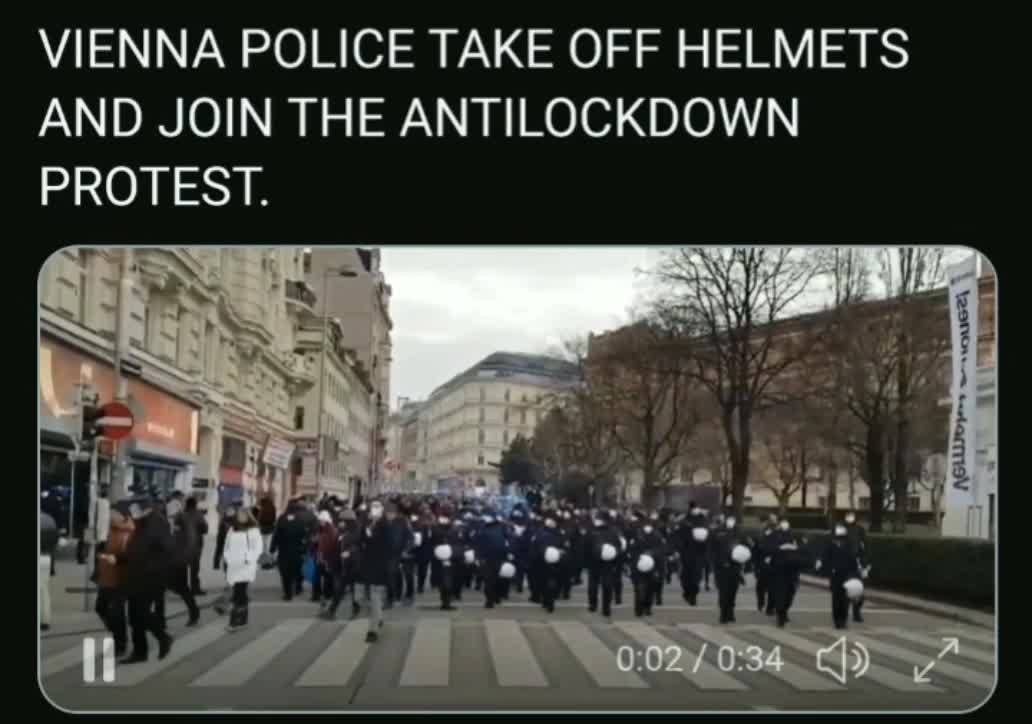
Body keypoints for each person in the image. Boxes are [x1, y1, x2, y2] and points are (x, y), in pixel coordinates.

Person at [121, 498, 174, 664]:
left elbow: (165, 551)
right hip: (135, 575)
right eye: (132, 510)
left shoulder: (158, 523)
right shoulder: (141, 523)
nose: (133, 513)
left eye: (136, 509)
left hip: (150, 577)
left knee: (141, 613)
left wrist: (149, 567)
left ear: (147, 509)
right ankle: (140, 652)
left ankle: (163, 637)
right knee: (134, 616)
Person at [95, 509, 134, 656]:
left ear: (122, 516)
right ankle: (116, 631)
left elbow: (132, 556)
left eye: (113, 513)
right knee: (100, 607)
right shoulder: (108, 531)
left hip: (121, 579)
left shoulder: (129, 532)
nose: (110, 515)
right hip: (106, 577)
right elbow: (102, 548)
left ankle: (120, 643)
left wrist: (116, 560)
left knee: (116, 612)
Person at [222, 507, 262, 632]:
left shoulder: (253, 531)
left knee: (239, 593)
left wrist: (248, 559)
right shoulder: (232, 530)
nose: (241, 517)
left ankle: (235, 621)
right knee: (240, 593)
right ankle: (243, 619)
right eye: (239, 515)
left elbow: (257, 549)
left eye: (243, 515)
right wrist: (227, 558)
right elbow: (226, 545)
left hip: (246, 567)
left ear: (248, 516)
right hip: (233, 565)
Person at [817, 523, 862, 629]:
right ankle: (837, 620)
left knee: (845, 599)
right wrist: (825, 570)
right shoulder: (830, 545)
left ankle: (843, 619)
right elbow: (825, 558)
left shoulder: (848, 545)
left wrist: (855, 573)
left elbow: (853, 560)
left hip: (846, 575)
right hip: (835, 575)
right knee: (836, 598)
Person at [359, 500, 391, 642]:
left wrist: (369, 536)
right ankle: (379, 618)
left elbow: (385, 544)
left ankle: (372, 630)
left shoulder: (385, 525)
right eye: (373, 508)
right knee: (373, 595)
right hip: (369, 564)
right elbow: (362, 540)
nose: (374, 511)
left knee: (375, 595)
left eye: (377, 508)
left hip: (380, 565)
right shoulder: (368, 523)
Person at [166, 500, 201, 626]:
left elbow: (189, 542)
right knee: (177, 588)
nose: (170, 515)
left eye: (171, 513)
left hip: (179, 561)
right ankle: (194, 612)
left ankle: (194, 612)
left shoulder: (183, 522)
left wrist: (182, 559)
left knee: (182, 588)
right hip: (174, 561)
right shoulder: (175, 522)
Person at [324, 509, 363, 620]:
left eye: (342, 520)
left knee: (342, 588)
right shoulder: (343, 530)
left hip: (352, 564)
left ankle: (332, 611)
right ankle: (354, 608)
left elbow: (360, 545)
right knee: (344, 588)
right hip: (341, 564)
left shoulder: (357, 529)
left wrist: (350, 551)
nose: (340, 522)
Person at [710, 514, 747, 624]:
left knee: (732, 591)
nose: (731, 521)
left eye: (733, 519)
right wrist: (716, 562)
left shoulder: (739, 532)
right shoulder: (718, 531)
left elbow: (746, 547)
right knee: (723, 591)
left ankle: (730, 613)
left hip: (735, 566)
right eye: (729, 518)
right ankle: (723, 614)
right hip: (721, 567)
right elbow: (712, 548)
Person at [269, 499, 309, 601]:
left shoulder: (282, 519)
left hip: (284, 551)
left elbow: (276, 534)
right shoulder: (300, 520)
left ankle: (288, 593)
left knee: (285, 573)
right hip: (297, 551)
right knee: (297, 570)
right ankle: (298, 587)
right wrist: (305, 549)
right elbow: (305, 536)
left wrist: (272, 548)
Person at [767, 519, 803, 628]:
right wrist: (779, 548)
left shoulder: (794, 535)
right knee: (780, 594)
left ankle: (785, 611)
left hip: (792, 570)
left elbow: (803, 549)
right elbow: (767, 548)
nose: (785, 524)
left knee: (790, 594)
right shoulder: (774, 535)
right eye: (783, 522)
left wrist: (795, 548)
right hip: (778, 569)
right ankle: (780, 615)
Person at [586, 510, 622, 617]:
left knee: (607, 586)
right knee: (592, 586)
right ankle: (593, 604)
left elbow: (618, 546)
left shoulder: (613, 532)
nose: (597, 520)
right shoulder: (591, 531)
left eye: (600, 518)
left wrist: (615, 559)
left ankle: (606, 608)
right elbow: (585, 547)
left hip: (608, 563)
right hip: (593, 562)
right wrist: (586, 561)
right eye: (597, 518)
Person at [474, 511, 509, 608]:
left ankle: (496, 597)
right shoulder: (482, 528)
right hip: (486, 559)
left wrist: (508, 553)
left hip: (499, 557)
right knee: (488, 580)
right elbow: (478, 544)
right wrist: (478, 557)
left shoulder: (502, 527)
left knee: (498, 579)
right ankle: (489, 600)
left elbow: (509, 540)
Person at [531, 512, 564, 613]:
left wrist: (561, 552)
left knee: (549, 582)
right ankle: (547, 601)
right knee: (545, 582)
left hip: (553, 562)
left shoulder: (558, 533)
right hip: (542, 562)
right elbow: (535, 547)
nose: (552, 523)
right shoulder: (540, 533)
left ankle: (549, 603)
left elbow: (563, 546)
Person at [430, 508, 463, 611]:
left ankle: (447, 601)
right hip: (439, 560)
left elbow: (459, 544)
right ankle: (445, 602)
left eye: (445, 518)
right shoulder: (435, 529)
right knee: (444, 582)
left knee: (449, 581)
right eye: (442, 518)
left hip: (452, 559)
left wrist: (454, 552)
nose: (443, 520)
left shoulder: (456, 529)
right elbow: (431, 542)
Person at [678, 509, 709, 606]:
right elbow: (679, 539)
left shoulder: (704, 526)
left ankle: (693, 596)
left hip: (698, 556)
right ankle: (687, 592)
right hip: (686, 555)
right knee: (685, 578)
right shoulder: (685, 526)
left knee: (696, 578)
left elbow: (708, 541)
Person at [843, 511, 869, 623]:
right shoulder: (840, 529)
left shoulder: (860, 530)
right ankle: (843, 613)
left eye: (851, 516)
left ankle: (856, 613)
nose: (850, 518)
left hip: (857, 564)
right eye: (848, 516)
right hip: (843, 564)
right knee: (845, 590)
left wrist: (865, 564)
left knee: (858, 590)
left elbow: (864, 547)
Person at [180, 497, 208, 596]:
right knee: (194, 568)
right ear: (195, 504)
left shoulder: (181, 515)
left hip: (182, 545)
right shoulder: (198, 515)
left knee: (182, 567)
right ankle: (195, 589)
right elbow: (205, 529)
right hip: (196, 545)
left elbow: (176, 529)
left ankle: (183, 589)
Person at [753, 514, 779, 615]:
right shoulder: (762, 534)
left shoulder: (778, 534)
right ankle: (761, 602)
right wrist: (755, 565)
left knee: (773, 588)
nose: (773, 523)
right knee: (760, 587)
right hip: (762, 565)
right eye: (771, 521)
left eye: (774, 521)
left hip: (774, 565)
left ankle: (770, 608)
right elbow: (756, 550)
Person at [315, 511, 339, 610]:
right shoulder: (324, 530)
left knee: (327, 578)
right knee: (325, 578)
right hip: (323, 558)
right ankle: (325, 596)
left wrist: (325, 559)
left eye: (321, 520)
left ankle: (327, 596)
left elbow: (329, 546)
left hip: (326, 558)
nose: (320, 522)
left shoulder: (330, 531)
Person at [40, 510, 59, 632]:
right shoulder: (50, 519)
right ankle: (44, 620)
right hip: (46, 558)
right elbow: (54, 544)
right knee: (44, 591)